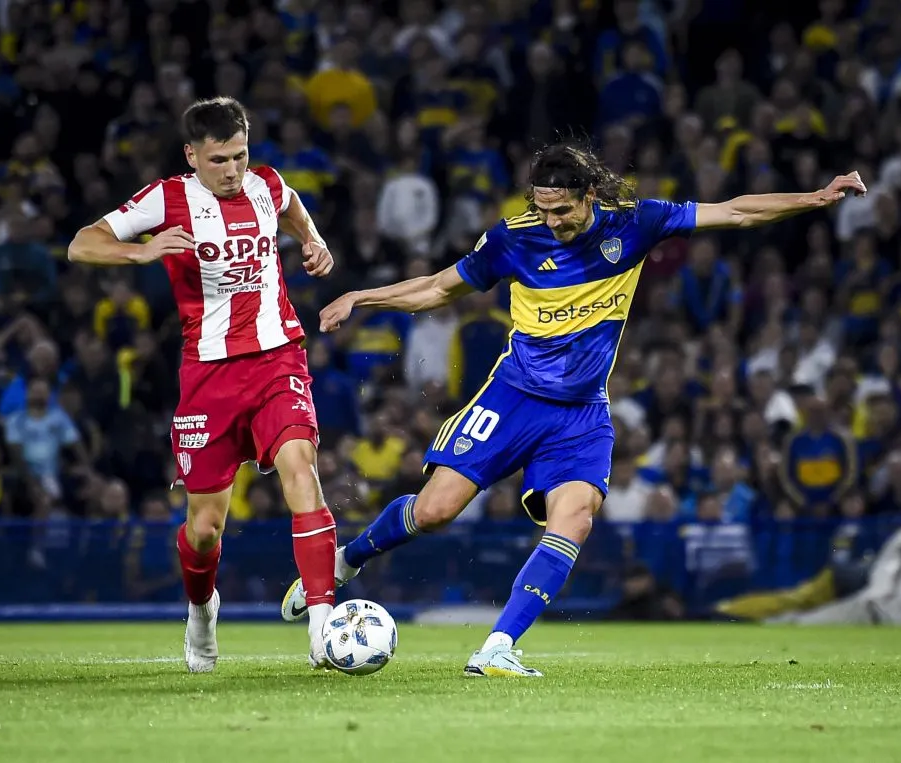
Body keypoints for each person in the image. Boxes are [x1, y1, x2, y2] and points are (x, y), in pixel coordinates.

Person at [281, 138, 867, 677]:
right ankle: (344, 563)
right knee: (435, 512)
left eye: (563, 210)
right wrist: (363, 296)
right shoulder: (513, 237)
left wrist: (815, 199)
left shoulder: (636, 224)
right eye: (543, 210)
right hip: (513, 396)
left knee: (576, 518)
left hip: (582, 412)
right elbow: (439, 287)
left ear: (589, 196)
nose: (553, 223)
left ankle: (497, 648)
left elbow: (736, 211)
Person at [68, 97, 338, 672]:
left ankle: (323, 629)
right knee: (206, 528)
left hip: (277, 359)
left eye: (240, 156)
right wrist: (139, 252)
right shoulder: (166, 198)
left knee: (301, 471)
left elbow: (293, 209)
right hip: (209, 376)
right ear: (192, 155)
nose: (233, 171)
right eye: (218, 161)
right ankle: (202, 612)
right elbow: (81, 243)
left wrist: (312, 241)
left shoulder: (266, 183)